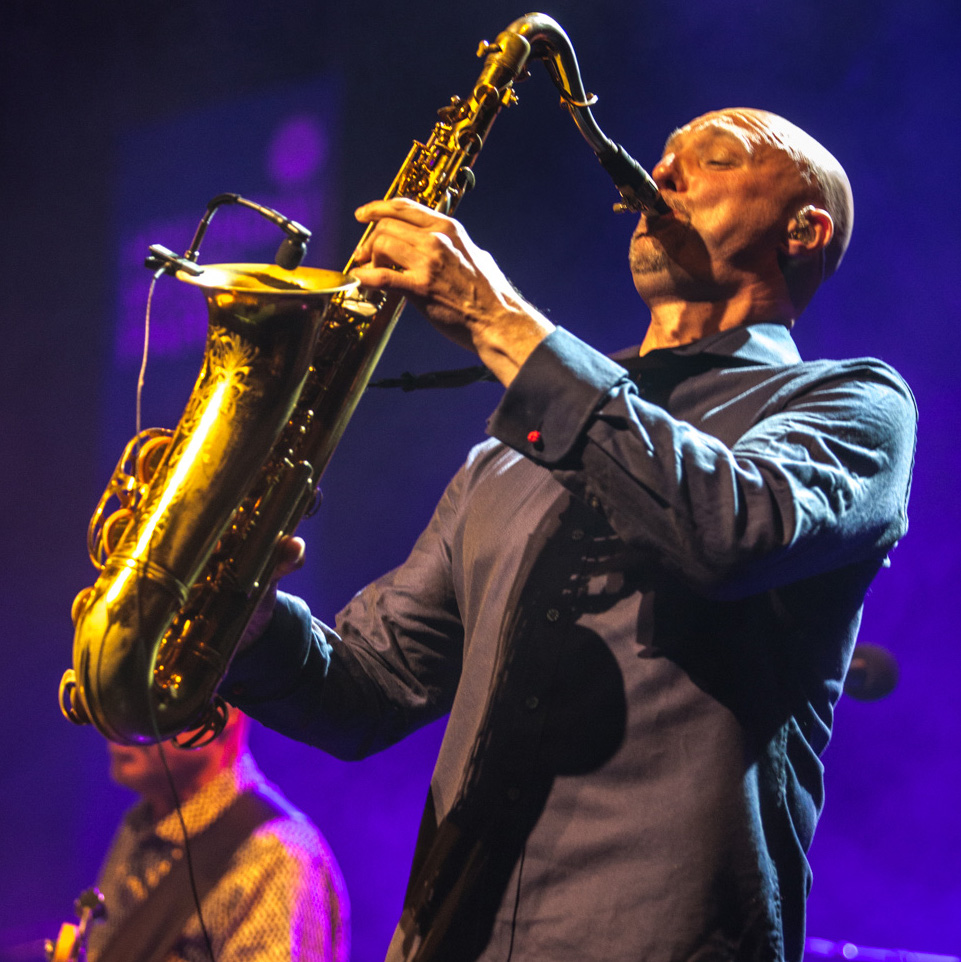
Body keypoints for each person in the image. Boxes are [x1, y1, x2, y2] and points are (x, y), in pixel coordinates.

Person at [221, 108, 917, 962]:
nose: (659, 177)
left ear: (803, 230)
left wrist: (497, 320)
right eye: (662, 161)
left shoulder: (851, 404)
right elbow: (369, 688)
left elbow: (728, 528)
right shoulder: (502, 458)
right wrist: (243, 617)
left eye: (713, 160)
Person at [85, 709, 350, 962]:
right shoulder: (140, 823)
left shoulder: (278, 853)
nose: (120, 721)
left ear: (226, 712)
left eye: (153, 696)